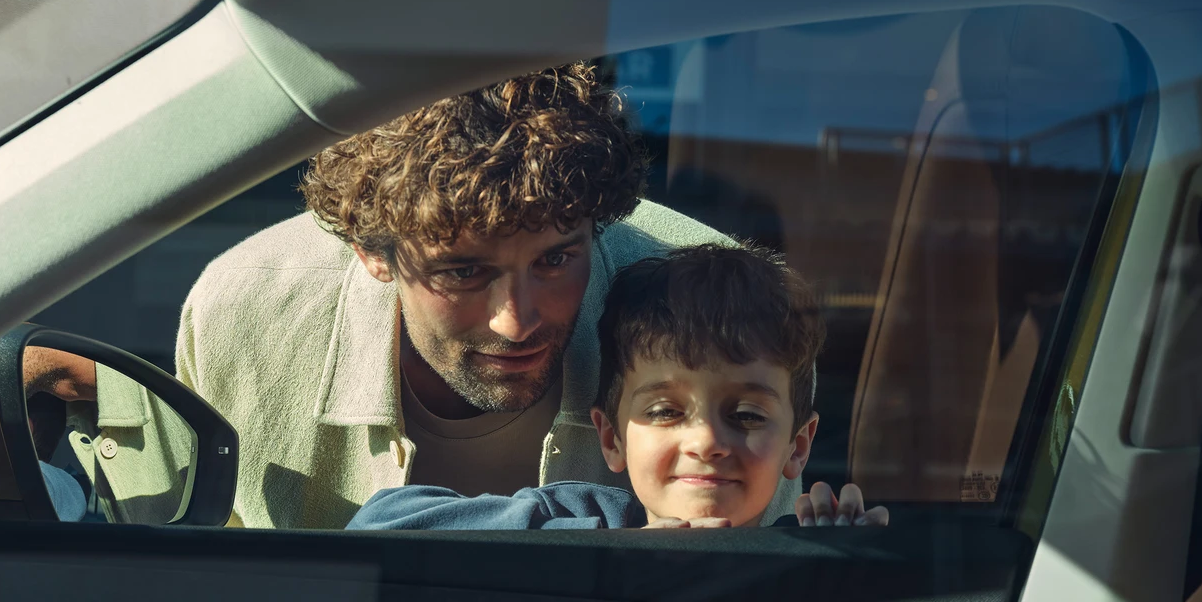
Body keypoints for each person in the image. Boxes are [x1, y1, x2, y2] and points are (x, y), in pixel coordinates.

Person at [25, 63, 801, 529]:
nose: (517, 317)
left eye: (556, 259)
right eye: (462, 272)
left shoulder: (702, 302)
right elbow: (189, 573)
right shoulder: (248, 309)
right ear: (370, 253)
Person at [346, 245, 887, 529]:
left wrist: (846, 565)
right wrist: (611, 552)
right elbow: (382, 523)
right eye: (665, 411)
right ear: (610, 439)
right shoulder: (588, 520)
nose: (705, 441)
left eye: (745, 415)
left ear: (799, 446)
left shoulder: (799, 551)